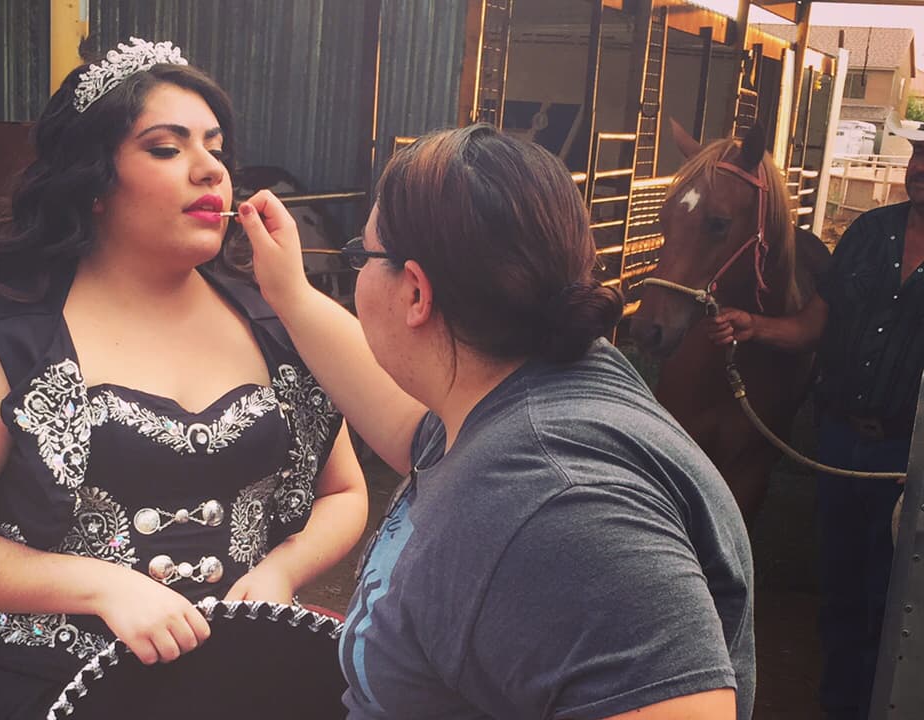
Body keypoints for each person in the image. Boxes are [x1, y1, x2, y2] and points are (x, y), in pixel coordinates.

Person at [0, 38, 366, 719]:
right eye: (166, 148)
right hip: (37, 684)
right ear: (93, 182)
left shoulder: (277, 322)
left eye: (216, 148)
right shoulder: (2, 337)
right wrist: (99, 586)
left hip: (243, 684)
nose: (210, 169)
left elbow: (346, 491)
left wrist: (282, 570)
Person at [237, 124, 755, 719]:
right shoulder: (523, 397)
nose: (356, 270)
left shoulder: (562, 504)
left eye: (362, 256)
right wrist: (291, 293)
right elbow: (410, 428)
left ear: (416, 293)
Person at [708, 130, 924, 720]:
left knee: (893, 600)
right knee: (841, 587)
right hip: (841, 441)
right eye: (918, 154)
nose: (920, 167)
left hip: (906, 457)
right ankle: (838, 705)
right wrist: (753, 326)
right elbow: (812, 326)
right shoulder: (868, 233)